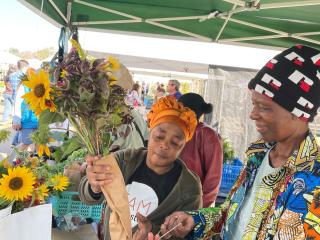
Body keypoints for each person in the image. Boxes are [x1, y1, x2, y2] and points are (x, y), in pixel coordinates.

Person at [148, 45, 320, 240]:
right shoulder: (259, 155)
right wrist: (194, 222)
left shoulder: (313, 177)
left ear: (298, 113)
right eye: (254, 104)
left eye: (263, 107)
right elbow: (231, 214)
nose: (253, 114)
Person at [79, 96, 203, 240]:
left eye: (175, 143)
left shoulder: (189, 188)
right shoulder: (125, 160)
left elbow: (186, 232)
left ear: (183, 147)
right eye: (159, 136)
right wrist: (94, 186)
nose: (164, 145)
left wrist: (154, 231)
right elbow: (87, 197)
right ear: (149, 133)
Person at [179, 93, 223, 207]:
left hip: (194, 203)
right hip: (173, 199)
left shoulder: (206, 134)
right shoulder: (176, 129)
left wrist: (200, 206)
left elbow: (213, 176)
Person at [12, 68, 38, 151]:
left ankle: (37, 161)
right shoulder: (24, 87)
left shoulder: (38, 86)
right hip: (26, 121)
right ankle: (15, 161)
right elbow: (17, 103)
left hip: (37, 121)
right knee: (25, 143)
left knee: (38, 142)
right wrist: (16, 120)